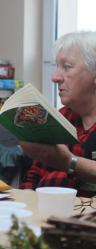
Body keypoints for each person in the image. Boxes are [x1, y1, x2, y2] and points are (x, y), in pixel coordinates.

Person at [19, 31, 96, 197]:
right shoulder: (61, 117)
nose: (55, 77)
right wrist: (25, 201)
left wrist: (68, 162)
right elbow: (35, 174)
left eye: (66, 67)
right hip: (42, 212)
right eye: (56, 67)